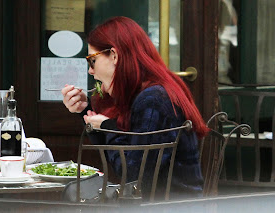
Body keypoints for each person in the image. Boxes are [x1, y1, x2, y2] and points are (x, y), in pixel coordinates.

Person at [62, 16, 209, 200]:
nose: (90, 70)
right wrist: (85, 110)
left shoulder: (153, 99)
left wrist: (107, 127)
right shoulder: (148, 92)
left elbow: (135, 178)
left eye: (92, 60)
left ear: (114, 56)